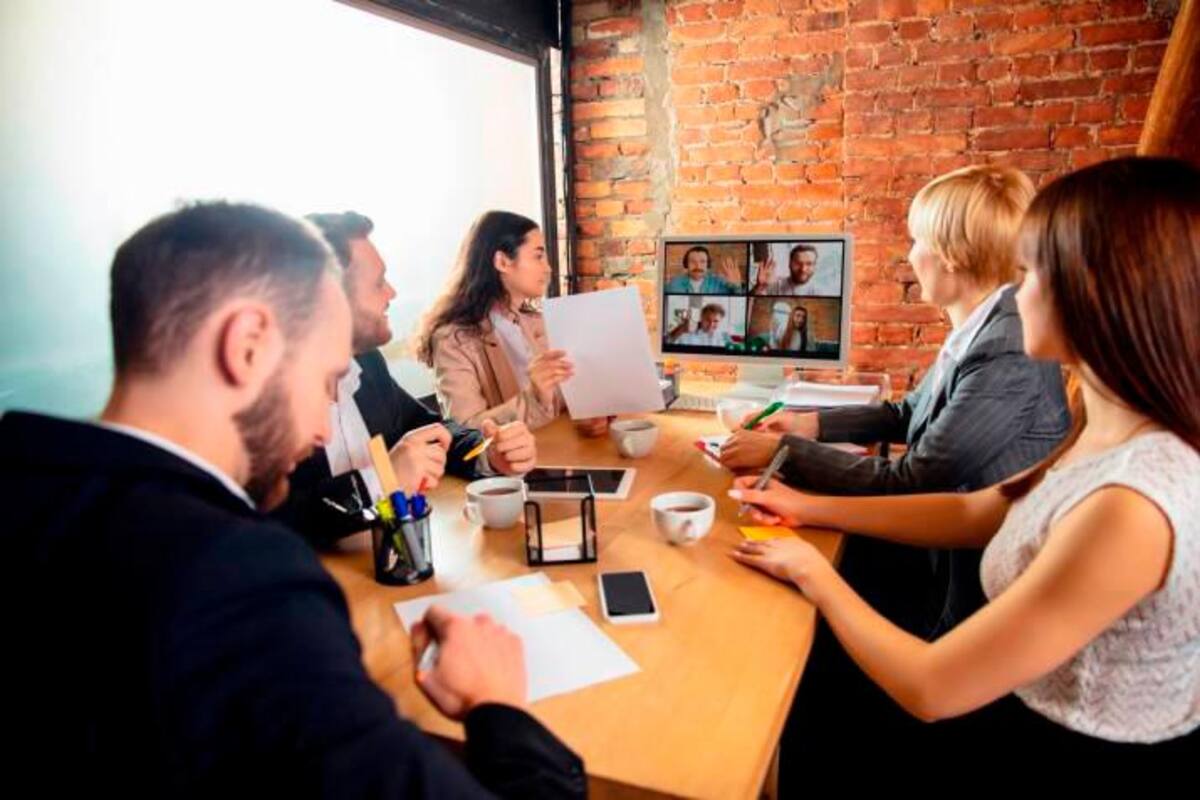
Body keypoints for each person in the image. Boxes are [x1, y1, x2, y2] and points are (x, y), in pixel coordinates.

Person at [1, 202, 585, 798]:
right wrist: (498, 711)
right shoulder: (238, 583)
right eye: (323, 378)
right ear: (248, 345)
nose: (326, 429)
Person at [731, 157, 1200, 774]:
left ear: (1096, 294)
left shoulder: (1133, 504)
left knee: (803, 709)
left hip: (1039, 739)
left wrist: (813, 573)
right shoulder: (1105, 419)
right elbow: (977, 508)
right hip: (1004, 696)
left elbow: (933, 688)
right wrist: (805, 507)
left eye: (1030, 272)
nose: (1014, 291)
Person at [722, 164, 1070, 639]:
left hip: (972, 598)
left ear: (951, 255)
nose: (909, 256)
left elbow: (921, 475)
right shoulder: (984, 326)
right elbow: (906, 414)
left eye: (917, 241)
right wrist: (806, 425)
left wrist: (783, 454)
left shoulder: (1006, 344)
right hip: (939, 555)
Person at [274, 211, 536, 546]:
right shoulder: (265, 399)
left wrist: (489, 453)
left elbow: (429, 428)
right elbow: (267, 524)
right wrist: (381, 481)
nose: (392, 293)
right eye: (378, 283)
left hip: (396, 568)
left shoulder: (366, 363)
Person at [416, 210, 608, 436]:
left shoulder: (537, 322)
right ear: (503, 262)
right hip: (511, 468)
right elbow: (464, 433)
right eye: (538, 256)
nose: (548, 269)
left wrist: (583, 414)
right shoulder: (453, 339)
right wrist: (534, 398)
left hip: (558, 453)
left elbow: (555, 401)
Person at [751, 243, 839, 296]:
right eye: (798, 263)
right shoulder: (774, 284)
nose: (803, 269)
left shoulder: (820, 292)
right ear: (789, 263)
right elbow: (748, 304)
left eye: (809, 264)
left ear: (815, 266)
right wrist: (760, 286)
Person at [663, 245, 743, 293]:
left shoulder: (718, 283)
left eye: (702, 262)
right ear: (686, 264)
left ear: (708, 264)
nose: (698, 266)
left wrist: (737, 287)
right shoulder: (674, 284)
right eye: (693, 261)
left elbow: (738, 298)